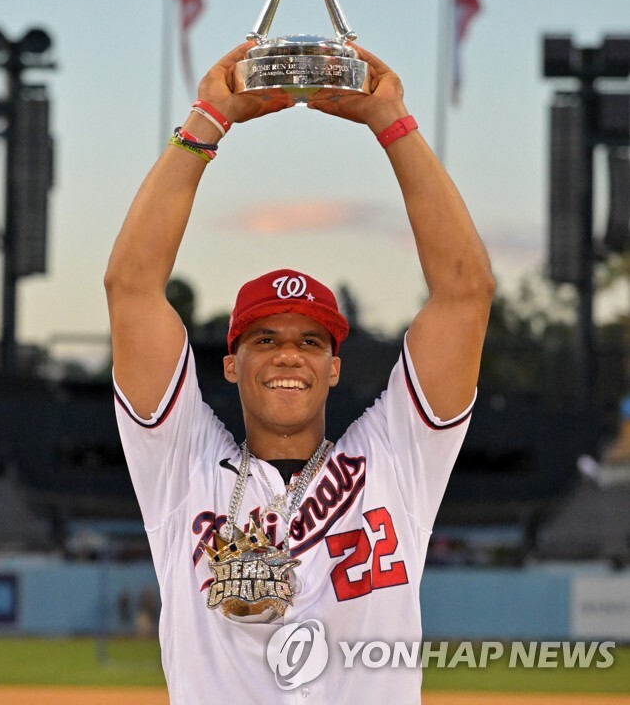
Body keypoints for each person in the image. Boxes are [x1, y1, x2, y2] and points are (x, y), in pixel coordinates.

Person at [105, 42, 494, 703]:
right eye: (265, 339)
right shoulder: (179, 467)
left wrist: (393, 123)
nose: (288, 354)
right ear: (231, 364)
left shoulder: (397, 461)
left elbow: (466, 293)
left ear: (334, 367)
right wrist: (206, 121)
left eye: (310, 341)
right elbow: (131, 287)